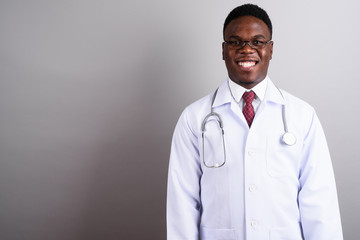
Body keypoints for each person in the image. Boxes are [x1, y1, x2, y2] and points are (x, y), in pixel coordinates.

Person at [166, 4, 343, 240]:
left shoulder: (302, 115)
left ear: (271, 50)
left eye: (258, 42)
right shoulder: (194, 118)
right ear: (223, 50)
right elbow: (182, 203)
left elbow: (320, 201)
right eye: (235, 41)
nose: (246, 49)